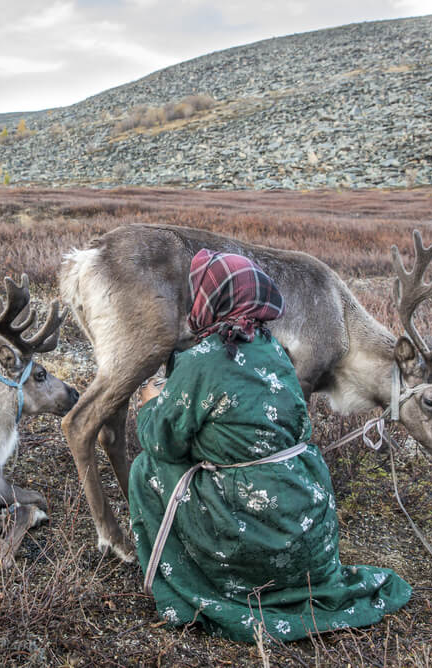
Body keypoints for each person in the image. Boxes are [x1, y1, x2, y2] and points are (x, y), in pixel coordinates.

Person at [128, 249, 411, 642]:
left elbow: (162, 442)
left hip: (254, 540)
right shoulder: (275, 351)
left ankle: (193, 580)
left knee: (146, 469)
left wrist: (149, 403)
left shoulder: (201, 361)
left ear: (212, 298)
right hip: (308, 531)